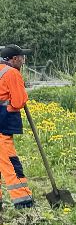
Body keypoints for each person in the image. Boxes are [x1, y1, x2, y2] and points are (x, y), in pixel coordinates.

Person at [0, 45, 36, 210]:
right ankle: (23, 200)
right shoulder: (12, 73)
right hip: (3, 123)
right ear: (14, 59)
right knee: (10, 162)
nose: (23, 61)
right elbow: (18, 101)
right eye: (22, 57)